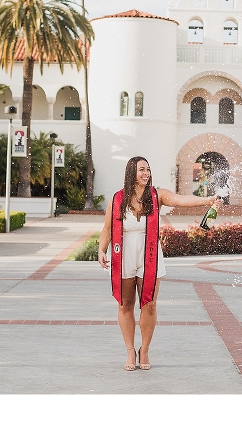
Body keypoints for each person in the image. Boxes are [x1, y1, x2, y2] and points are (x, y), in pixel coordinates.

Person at [98, 156, 222, 371]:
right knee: (125, 304)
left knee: (150, 304)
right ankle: (130, 351)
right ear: (131, 173)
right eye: (141, 170)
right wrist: (101, 250)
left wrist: (208, 200)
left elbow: (181, 199)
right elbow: (107, 228)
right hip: (124, 254)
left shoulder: (157, 195)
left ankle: (144, 349)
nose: (146, 173)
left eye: (148, 169)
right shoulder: (117, 199)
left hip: (151, 255)